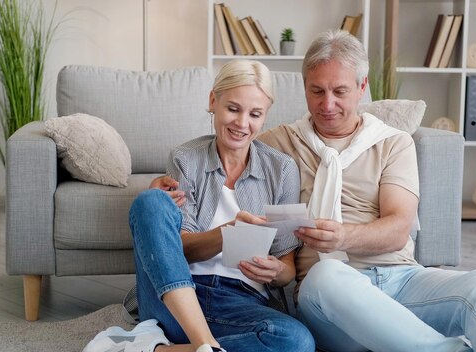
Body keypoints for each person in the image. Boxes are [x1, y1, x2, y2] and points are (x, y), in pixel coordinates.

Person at [255, 29, 476, 352]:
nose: (327, 104)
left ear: (361, 87)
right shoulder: (278, 144)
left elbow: (398, 229)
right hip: (329, 299)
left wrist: (343, 237)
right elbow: (228, 151)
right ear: (305, 87)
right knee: (325, 277)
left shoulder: (392, 143)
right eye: (317, 91)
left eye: (340, 91)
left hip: (402, 280)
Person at [83, 60, 315, 352]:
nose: (242, 124)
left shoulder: (281, 170)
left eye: (255, 114)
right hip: (177, 298)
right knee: (150, 201)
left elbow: (287, 269)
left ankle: (162, 349)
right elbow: (178, 250)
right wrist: (227, 233)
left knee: (297, 341)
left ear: (265, 116)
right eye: (233, 108)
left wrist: (274, 271)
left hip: (240, 304)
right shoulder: (186, 159)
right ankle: (204, 344)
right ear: (213, 101)